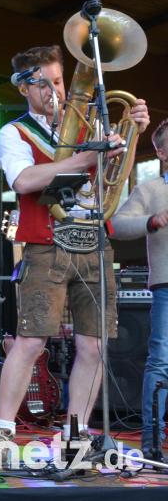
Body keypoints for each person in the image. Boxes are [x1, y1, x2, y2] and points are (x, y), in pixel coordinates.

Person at [0, 44, 149, 458]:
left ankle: (75, 433)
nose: (54, 92)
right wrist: (86, 157)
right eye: (43, 84)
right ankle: (3, 431)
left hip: (94, 242)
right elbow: (25, 181)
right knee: (30, 341)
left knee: (94, 346)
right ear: (23, 89)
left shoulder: (87, 127)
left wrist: (132, 137)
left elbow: (113, 179)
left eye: (58, 82)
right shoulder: (15, 132)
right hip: (46, 243)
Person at [110, 118, 168, 462]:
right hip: (166, 285)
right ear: (161, 152)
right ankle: (152, 442)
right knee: (161, 363)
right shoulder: (150, 190)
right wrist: (153, 220)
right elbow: (115, 224)